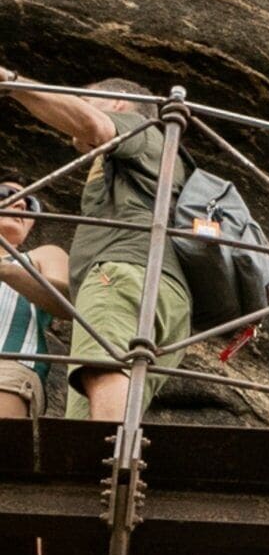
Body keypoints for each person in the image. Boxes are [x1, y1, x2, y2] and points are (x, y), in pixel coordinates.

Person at [1, 69, 186, 425]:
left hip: (122, 273)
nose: (19, 203)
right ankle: (103, 472)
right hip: (161, 288)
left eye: (85, 99)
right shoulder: (153, 159)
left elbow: (95, 126)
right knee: (95, 403)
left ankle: (112, 468)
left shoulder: (138, 129)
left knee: (103, 372)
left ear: (117, 103)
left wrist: (10, 81)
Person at [0, 181, 68, 420]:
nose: (20, 203)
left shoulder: (43, 255)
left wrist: (7, 271)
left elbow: (67, 303)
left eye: (31, 204)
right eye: (6, 195)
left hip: (8, 364)